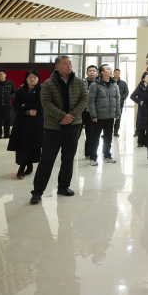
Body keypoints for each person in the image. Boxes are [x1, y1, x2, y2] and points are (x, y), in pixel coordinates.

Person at [30, 55, 89, 204]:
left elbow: (84, 100)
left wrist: (71, 116)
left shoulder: (79, 82)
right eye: (65, 63)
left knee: (68, 158)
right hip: (53, 127)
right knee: (47, 159)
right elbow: (46, 103)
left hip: (73, 125)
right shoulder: (48, 83)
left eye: (70, 63)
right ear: (57, 67)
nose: (69, 65)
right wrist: (63, 116)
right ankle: (37, 191)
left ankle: (63, 186)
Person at [8, 70, 44, 178]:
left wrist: (25, 105)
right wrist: (27, 111)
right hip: (22, 121)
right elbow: (16, 106)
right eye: (30, 77)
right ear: (26, 79)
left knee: (31, 144)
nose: (32, 79)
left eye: (35, 77)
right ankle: (28, 165)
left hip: (36, 121)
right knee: (22, 145)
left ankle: (22, 168)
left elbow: (40, 104)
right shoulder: (20, 91)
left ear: (38, 79)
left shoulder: (42, 90)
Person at [87, 64, 121, 166]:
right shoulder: (95, 84)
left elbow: (117, 99)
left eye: (111, 69)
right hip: (98, 117)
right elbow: (91, 101)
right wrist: (93, 115)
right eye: (108, 69)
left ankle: (107, 156)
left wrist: (118, 112)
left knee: (108, 138)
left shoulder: (114, 84)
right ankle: (93, 158)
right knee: (95, 138)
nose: (111, 70)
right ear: (102, 72)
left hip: (110, 116)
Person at [0, 69, 16, 139]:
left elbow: (14, 93)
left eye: (1, 74)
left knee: (7, 120)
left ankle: (7, 134)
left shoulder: (10, 83)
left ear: (5, 75)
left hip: (7, 105)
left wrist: (10, 97)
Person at [81, 65, 98, 158]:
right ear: (86, 73)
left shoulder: (99, 83)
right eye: (90, 71)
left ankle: (89, 153)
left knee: (90, 134)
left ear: (97, 73)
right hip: (81, 111)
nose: (92, 72)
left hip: (92, 112)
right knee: (75, 135)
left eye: (93, 71)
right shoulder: (81, 82)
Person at [130, 72, 148, 148]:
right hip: (142, 109)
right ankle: (140, 142)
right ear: (143, 79)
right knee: (141, 125)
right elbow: (132, 96)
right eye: (147, 77)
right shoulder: (140, 86)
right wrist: (139, 101)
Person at [112, 68, 128, 137]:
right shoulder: (110, 81)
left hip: (119, 103)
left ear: (120, 74)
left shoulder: (123, 83)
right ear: (113, 73)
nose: (117, 74)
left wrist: (122, 98)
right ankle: (107, 132)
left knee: (118, 118)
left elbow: (126, 92)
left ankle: (116, 132)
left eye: (118, 73)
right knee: (109, 118)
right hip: (111, 103)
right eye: (115, 73)